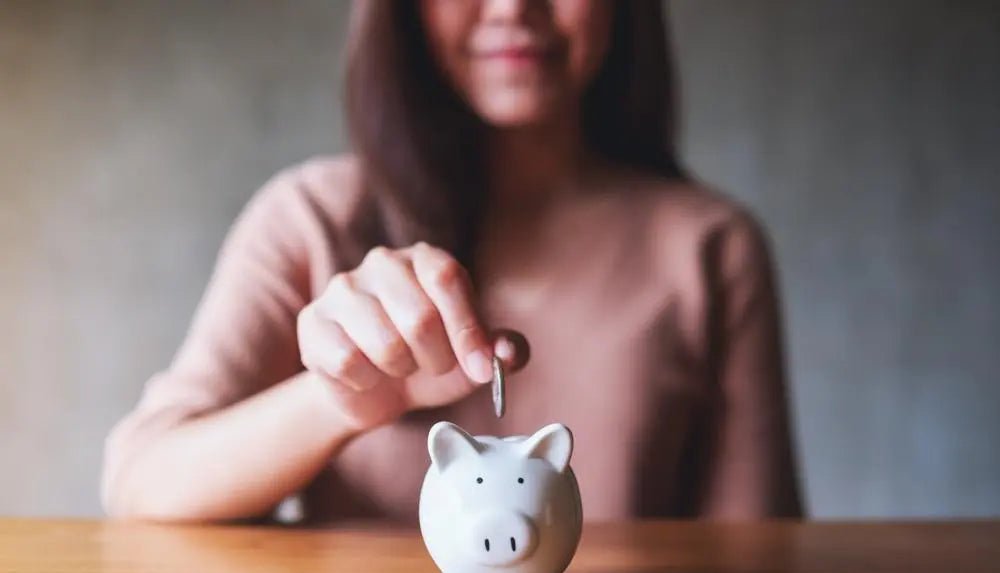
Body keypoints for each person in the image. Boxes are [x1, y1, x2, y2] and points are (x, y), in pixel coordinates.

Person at [101, 0, 803, 524]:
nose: (511, 9)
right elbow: (141, 482)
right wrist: (339, 402)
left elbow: (757, 564)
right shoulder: (309, 219)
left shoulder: (711, 249)